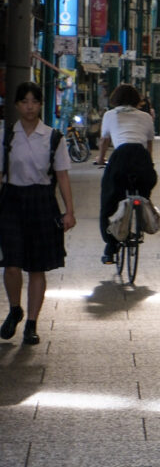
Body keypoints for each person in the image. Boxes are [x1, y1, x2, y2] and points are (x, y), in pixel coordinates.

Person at [0, 82, 76, 346]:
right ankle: (14, 309)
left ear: (41, 104)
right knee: (11, 264)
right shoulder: (7, 135)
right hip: (11, 199)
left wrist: (69, 211)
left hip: (42, 201)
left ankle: (31, 322)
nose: (29, 106)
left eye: (34, 101)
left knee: (36, 266)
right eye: (24, 102)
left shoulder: (53, 137)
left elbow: (63, 176)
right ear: (17, 105)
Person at [95, 84, 157, 264]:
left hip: (120, 158)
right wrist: (149, 164)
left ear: (115, 99)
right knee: (143, 190)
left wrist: (100, 159)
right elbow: (149, 143)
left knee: (109, 200)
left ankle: (110, 246)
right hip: (142, 158)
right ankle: (143, 207)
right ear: (137, 100)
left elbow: (104, 141)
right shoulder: (146, 116)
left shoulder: (109, 115)